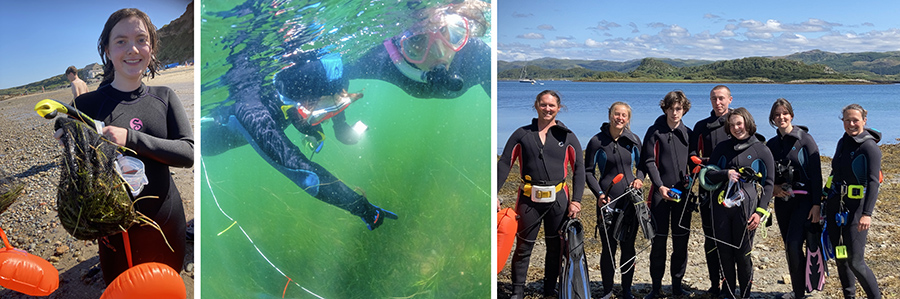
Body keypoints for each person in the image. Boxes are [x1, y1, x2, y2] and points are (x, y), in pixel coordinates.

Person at [65, 8, 193, 284]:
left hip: (166, 221)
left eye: (141, 39)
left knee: (168, 287)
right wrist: (65, 136)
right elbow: (73, 158)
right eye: (121, 41)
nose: (133, 49)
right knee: (120, 288)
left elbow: (188, 153)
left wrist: (130, 138)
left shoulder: (164, 97)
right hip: (114, 232)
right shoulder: (86, 107)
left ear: (152, 48)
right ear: (107, 51)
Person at [497, 90, 584, 299]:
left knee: (555, 248)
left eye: (552, 106)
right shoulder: (522, 134)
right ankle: (517, 292)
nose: (547, 109)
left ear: (558, 108)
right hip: (529, 200)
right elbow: (504, 163)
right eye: (543, 104)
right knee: (523, 247)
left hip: (558, 200)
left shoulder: (568, 136)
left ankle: (548, 290)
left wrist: (577, 201)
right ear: (536, 105)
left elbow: (579, 168)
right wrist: (493, 194)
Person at [344, 0, 490, 99]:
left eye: (444, 30)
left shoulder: (476, 54)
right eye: (416, 38)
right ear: (398, 47)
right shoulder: (385, 62)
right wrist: (340, 124)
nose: (440, 53)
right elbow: (334, 71)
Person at [702, 107, 774, 299]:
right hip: (721, 207)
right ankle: (727, 293)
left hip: (747, 208)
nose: (736, 128)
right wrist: (726, 173)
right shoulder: (722, 148)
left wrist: (760, 212)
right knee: (724, 251)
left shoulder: (761, 149)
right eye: (732, 125)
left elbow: (768, 184)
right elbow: (708, 174)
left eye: (739, 123)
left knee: (743, 254)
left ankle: (744, 294)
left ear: (747, 123)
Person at [585, 101, 645, 299]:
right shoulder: (597, 141)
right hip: (607, 202)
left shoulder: (634, 139)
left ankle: (626, 290)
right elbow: (588, 172)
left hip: (630, 202)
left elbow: (642, 165)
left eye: (624, 115)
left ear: (628, 119)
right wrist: (600, 194)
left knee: (628, 247)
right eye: (616, 114)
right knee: (609, 248)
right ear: (610, 115)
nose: (620, 118)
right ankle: (608, 290)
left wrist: (639, 179)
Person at [765, 98, 823, 299]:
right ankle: (801, 288)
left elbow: (816, 174)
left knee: (794, 244)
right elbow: (766, 174)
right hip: (783, 202)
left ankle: (801, 292)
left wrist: (817, 204)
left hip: (805, 202)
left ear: (791, 115)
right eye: (777, 114)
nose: (781, 117)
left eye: (784, 113)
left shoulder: (805, 139)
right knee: (790, 249)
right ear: (772, 118)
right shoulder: (771, 144)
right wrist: (772, 188)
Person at [825, 104, 881, 299]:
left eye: (855, 120)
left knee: (856, 261)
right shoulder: (843, 142)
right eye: (847, 120)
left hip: (857, 210)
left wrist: (867, 214)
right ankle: (849, 296)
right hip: (836, 206)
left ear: (864, 121)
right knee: (841, 257)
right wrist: (825, 198)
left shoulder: (869, 146)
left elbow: (874, 182)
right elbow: (834, 173)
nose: (851, 124)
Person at [641, 91, 692, 298]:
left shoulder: (688, 133)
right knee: (659, 243)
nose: (674, 112)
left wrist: (693, 176)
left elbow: (695, 160)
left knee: (681, 243)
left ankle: (677, 286)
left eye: (678, 108)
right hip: (659, 194)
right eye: (671, 108)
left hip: (682, 195)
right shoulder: (654, 132)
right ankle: (655, 288)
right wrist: (660, 186)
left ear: (684, 110)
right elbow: (649, 161)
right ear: (665, 109)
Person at [688, 84, 733, 295]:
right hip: (708, 189)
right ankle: (715, 283)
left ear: (730, 100)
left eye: (722, 98)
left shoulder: (738, 123)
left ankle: (732, 284)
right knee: (711, 238)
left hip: (734, 190)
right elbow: (691, 158)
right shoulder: (701, 126)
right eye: (714, 98)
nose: (718, 102)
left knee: (732, 237)